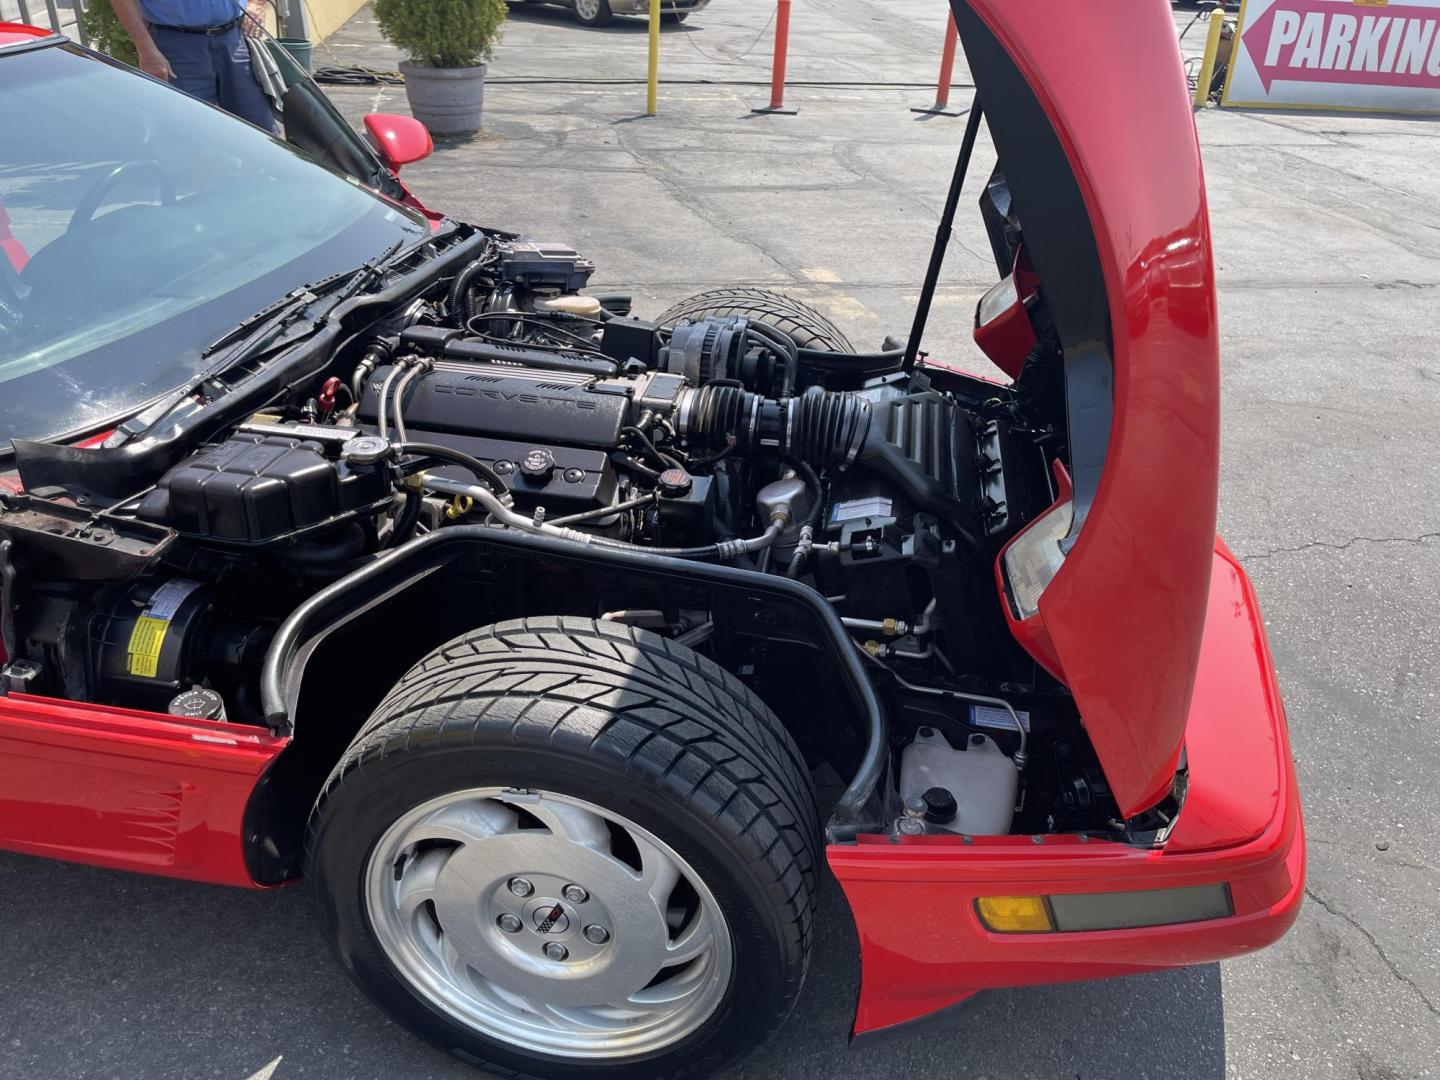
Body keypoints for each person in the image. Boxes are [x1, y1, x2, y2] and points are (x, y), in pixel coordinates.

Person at [109, 0, 277, 132]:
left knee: (260, 127)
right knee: (187, 131)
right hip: (177, 44)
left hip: (234, 39)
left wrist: (256, 3)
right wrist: (145, 48)